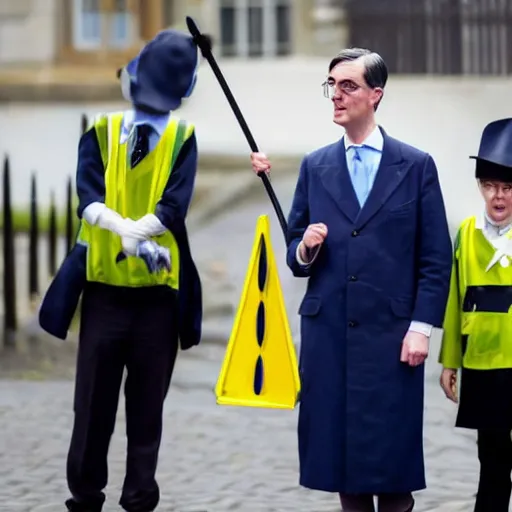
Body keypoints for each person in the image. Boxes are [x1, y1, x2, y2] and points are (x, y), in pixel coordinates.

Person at [250, 48, 453, 511]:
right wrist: (306, 248)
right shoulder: (315, 166)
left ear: (375, 95)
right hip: (331, 337)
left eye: (348, 86)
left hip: (393, 339)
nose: (336, 96)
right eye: (332, 86)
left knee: (394, 472)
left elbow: (435, 257)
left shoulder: (415, 166)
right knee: (347, 474)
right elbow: (296, 252)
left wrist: (421, 328)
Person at [38, 28, 210, 512]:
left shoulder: (182, 138)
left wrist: (142, 231)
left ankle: (139, 499)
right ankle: (85, 497)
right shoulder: (100, 130)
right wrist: (127, 233)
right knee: (91, 406)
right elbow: (87, 199)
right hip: (104, 293)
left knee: (146, 409)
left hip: (158, 297)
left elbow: (172, 207)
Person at [439, 118, 512, 512]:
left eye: (508, 188)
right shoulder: (466, 233)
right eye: (490, 186)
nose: (498, 197)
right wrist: (451, 360)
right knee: (493, 463)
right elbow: (454, 301)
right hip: (483, 365)